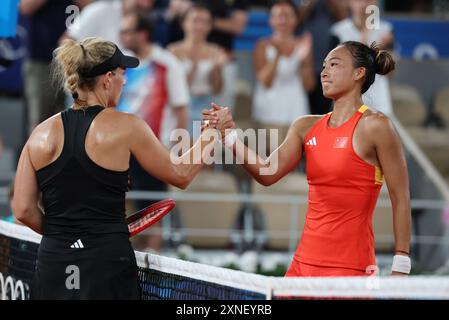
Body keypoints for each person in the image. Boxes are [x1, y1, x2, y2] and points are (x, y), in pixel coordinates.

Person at [11, 37, 232, 299]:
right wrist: (212, 133)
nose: (125, 81)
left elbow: (23, 210)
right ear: (107, 78)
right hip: (106, 265)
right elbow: (181, 174)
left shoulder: (40, 133)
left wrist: (66, 235)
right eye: (122, 74)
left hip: (53, 263)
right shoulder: (128, 127)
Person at [204, 41, 412, 277]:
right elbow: (267, 172)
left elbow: (401, 196)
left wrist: (401, 264)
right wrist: (229, 136)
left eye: (334, 65)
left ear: (359, 73)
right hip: (301, 267)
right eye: (323, 66)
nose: (324, 72)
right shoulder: (305, 126)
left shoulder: (377, 126)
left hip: (350, 270)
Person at [117, 11, 190, 251]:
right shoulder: (120, 65)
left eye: (127, 31)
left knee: (152, 207)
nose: (122, 36)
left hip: (155, 149)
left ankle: (152, 259)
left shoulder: (166, 64)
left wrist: (178, 149)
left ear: (143, 34)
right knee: (122, 204)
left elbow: (181, 109)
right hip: (121, 148)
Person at [253, 0, 315, 152]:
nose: (283, 20)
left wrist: (303, 61)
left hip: (296, 111)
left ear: (296, 19)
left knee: (293, 162)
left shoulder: (302, 44)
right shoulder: (262, 44)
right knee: (267, 163)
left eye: (287, 16)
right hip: (268, 112)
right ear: (271, 20)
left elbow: (309, 85)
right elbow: (265, 81)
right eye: (278, 16)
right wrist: (277, 56)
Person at [168, 4, 229, 139]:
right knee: (183, 151)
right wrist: (194, 66)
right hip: (182, 106)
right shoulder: (173, 51)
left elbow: (218, 89)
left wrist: (216, 69)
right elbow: (175, 88)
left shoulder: (216, 50)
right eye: (195, 21)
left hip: (207, 104)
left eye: (205, 22)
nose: (199, 26)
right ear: (184, 23)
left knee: (207, 153)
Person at [329, 0, 394, 115]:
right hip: (348, 98)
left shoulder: (386, 30)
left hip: (379, 97)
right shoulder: (338, 32)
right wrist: (376, 48)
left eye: (368, 0)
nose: (364, 4)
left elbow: (389, 73)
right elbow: (335, 73)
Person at [19, 0, 72, 134]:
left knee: (72, 121)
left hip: (75, 60)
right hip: (41, 60)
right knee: (39, 121)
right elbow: (25, 7)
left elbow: (91, 5)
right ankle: (36, 154)